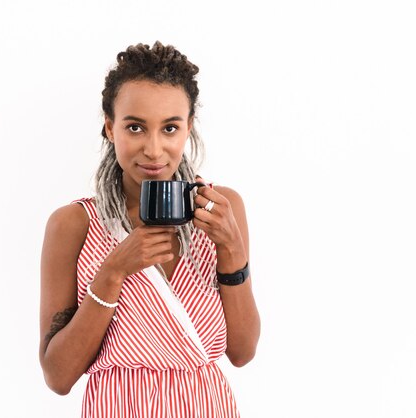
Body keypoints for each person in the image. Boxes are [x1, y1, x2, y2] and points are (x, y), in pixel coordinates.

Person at [39, 41, 260, 417]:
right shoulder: (74, 225)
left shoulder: (222, 210)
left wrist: (232, 250)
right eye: (136, 127)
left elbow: (242, 353)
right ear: (110, 127)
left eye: (170, 128)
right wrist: (113, 271)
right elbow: (58, 377)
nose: (154, 150)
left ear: (188, 128)